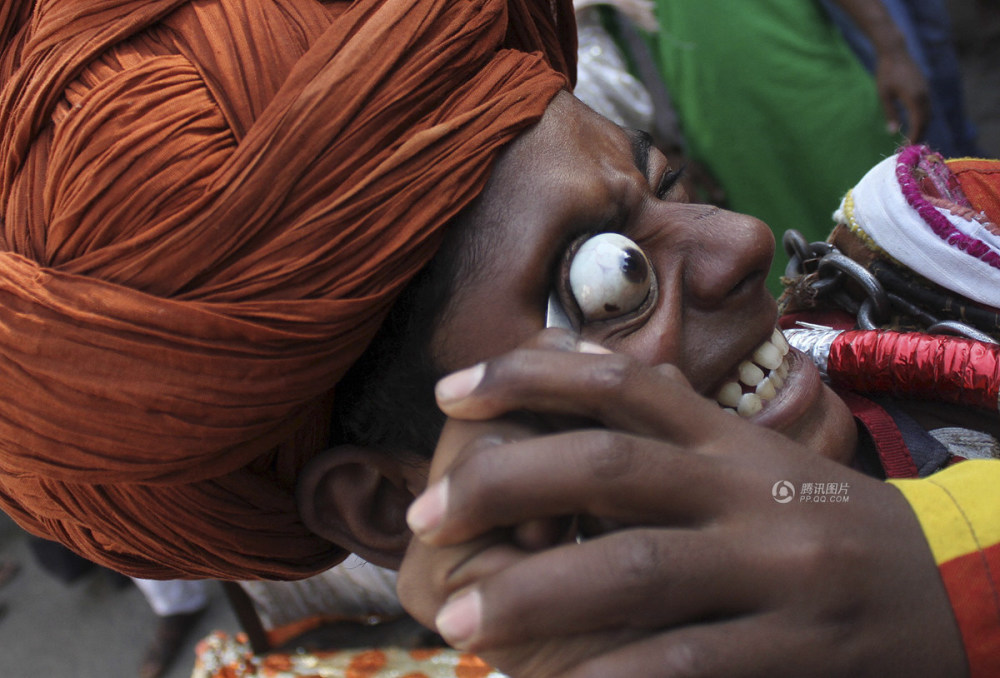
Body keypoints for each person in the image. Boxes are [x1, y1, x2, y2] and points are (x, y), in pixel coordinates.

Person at [0, 1, 995, 676]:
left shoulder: (956, 252)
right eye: (612, 277)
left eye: (662, 181)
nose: (741, 244)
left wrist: (953, 576)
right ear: (396, 502)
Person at [647, 0, 933, 293]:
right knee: (804, 293)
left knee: (905, 250)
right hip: (729, 148)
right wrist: (661, 149)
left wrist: (892, 49)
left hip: (822, 101)